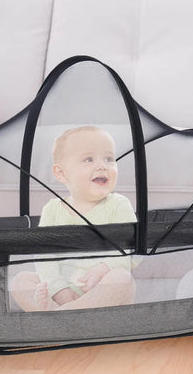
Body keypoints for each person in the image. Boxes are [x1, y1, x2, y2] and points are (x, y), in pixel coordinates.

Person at [11, 125, 137, 311]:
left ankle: (60, 316)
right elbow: (44, 255)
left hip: (102, 294)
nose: (102, 165)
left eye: (109, 159)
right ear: (61, 173)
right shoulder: (52, 209)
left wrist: (106, 267)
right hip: (61, 291)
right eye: (89, 159)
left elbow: (133, 250)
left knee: (122, 278)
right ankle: (58, 313)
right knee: (21, 281)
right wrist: (58, 289)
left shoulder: (118, 205)